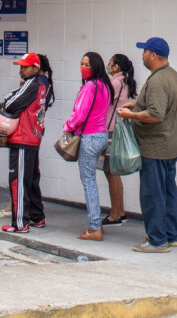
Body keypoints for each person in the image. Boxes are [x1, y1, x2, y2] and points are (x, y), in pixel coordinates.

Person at [117, 37, 177, 253]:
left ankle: (157, 241)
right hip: (170, 147)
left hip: (154, 148)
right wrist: (137, 103)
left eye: (145, 51)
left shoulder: (157, 81)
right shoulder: (172, 75)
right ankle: (170, 235)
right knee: (168, 192)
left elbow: (155, 114)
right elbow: (162, 103)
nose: (142, 55)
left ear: (153, 55)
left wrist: (131, 115)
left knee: (152, 195)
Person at [0, 52, 52, 232]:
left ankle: (20, 223)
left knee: (18, 180)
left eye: (25, 67)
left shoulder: (32, 83)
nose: (21, 70)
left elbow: (11, 103)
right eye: (21, 66)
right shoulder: (42, 83)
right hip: (33, 136)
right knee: (31, 180)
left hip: (23, 137)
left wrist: (6, 100)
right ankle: (37, 217)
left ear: (35, 68)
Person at [62, 52, 113, 240]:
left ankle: (94, 227)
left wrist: (67, 126)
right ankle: (96, 222)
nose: (83, 67)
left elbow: (80, 114)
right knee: (91, 179)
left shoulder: (90, 87)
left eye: (87, 64)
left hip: (89, 137)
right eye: (82, 63)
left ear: (95, 66)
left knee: (88, 181)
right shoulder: (105, 85)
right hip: (101, 135)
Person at [103, 53, 137, 225]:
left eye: (110, 63)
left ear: (116, 67)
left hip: (111, 131)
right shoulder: (125, 81)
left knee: (112, 173)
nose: (108, 66)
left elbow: (102, 101)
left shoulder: (115, 83)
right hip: (117, 129)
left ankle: (115, 214)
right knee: (113, 172)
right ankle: (120, 211)